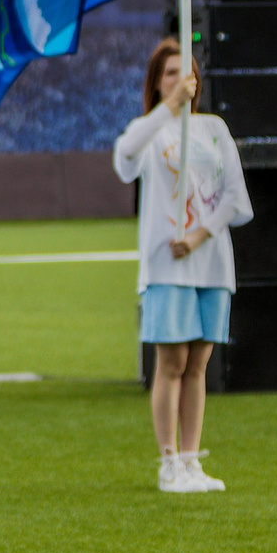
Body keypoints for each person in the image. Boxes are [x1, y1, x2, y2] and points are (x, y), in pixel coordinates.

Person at [114, 39, 252, 496]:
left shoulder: (213, 128)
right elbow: (124, 159)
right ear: (156, 82)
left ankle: (192, 459)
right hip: (165, 266)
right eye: (169, 73)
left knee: (199, 362)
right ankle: (168, 461)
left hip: (210, 261)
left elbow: (234, 195)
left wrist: (199, 235)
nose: (179, 80)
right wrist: (167, 108)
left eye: (185, 72)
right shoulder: (149, 131)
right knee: (170, 361)